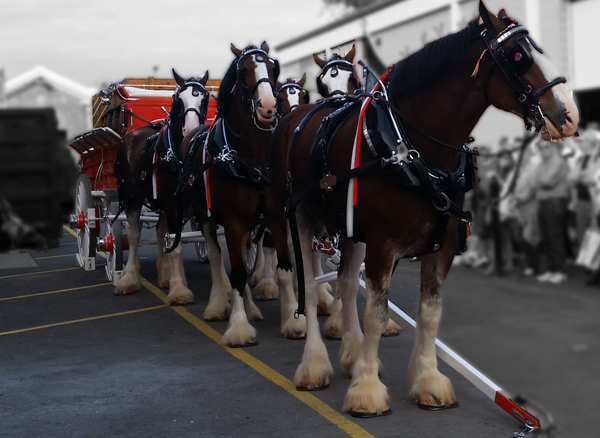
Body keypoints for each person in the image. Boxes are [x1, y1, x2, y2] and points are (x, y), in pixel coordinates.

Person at [531, 140, 571, 284]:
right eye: (541, 147)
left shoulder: (557, 161)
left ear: (552, 147)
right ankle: (551, 269)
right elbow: (533, 180)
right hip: (543, 202)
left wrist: (539, 181)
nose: (543, 149)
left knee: (555, 237)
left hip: (554, 202)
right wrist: (539, 181)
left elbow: (547, 181)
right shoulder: (543, 162)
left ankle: (559, 270)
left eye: (546, 147)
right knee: (546, 237)